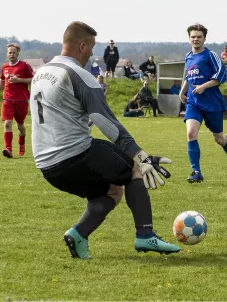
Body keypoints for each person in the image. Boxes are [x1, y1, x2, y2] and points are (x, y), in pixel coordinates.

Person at [30, 21, 179, 259]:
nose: (92, 53)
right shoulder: (79, 75)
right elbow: (109, 125)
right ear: (81, 45)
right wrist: (141, 157)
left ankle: (78, 235)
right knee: (134, 171)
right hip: (76, 154)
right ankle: (145, 235)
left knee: (112, 192)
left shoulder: (41, 73)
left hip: (47, 166)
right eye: (91, 48)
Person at [179, 23, 227, 183]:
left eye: (199, 37)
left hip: (211, 102)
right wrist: (182, 91)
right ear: (189, 38)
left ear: (204, 38)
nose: (196, 39)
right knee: (191, 133)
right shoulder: (188, 56)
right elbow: (188, 76)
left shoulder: (210, 55)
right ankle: (196, 171)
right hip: (193, 102)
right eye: (193, 36)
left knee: (219, 138)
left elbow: (221, 75)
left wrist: (204, 86)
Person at [0, 43, 35, 158]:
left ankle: (21, 143)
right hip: (7, 99)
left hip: (21, 100)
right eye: (10, 52)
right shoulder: (5, 67)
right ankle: (8, 149)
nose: (12, 54)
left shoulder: (24, 66)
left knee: (20, 126)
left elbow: (33, 79)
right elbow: (2, 80)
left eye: (14, 52)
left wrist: (19, 80)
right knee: (7, 123)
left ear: (18, 53)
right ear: (7, 54)